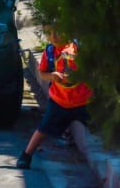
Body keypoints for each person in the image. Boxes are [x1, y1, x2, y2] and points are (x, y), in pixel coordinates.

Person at [16, 34, 93, 169]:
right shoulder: (50, 51)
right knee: (43, 128)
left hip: (83, 100)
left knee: (97, 128)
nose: (54, 37)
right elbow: (42, 73)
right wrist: (52, 76)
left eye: (58, 33)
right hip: (59, 100)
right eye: (50, 34)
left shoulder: (78, 48)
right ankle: (26, 155)